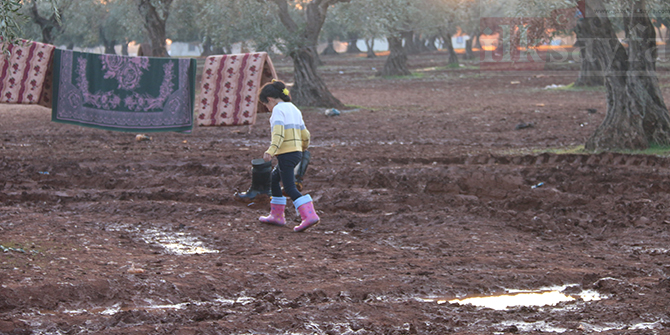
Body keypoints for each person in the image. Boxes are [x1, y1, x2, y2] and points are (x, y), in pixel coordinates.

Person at [257, 80, 319, 232]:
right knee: (274, 178)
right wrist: (302, 148)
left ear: (270, 100)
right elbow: (306, 134)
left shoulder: (278, 110)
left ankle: (309, 216)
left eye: (266, 105)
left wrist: (271, 151)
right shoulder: (294, 109)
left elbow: (278, 133)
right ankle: (276, 215)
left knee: (290, 187)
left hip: (286, 153)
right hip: (296, 152)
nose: (268, 108)